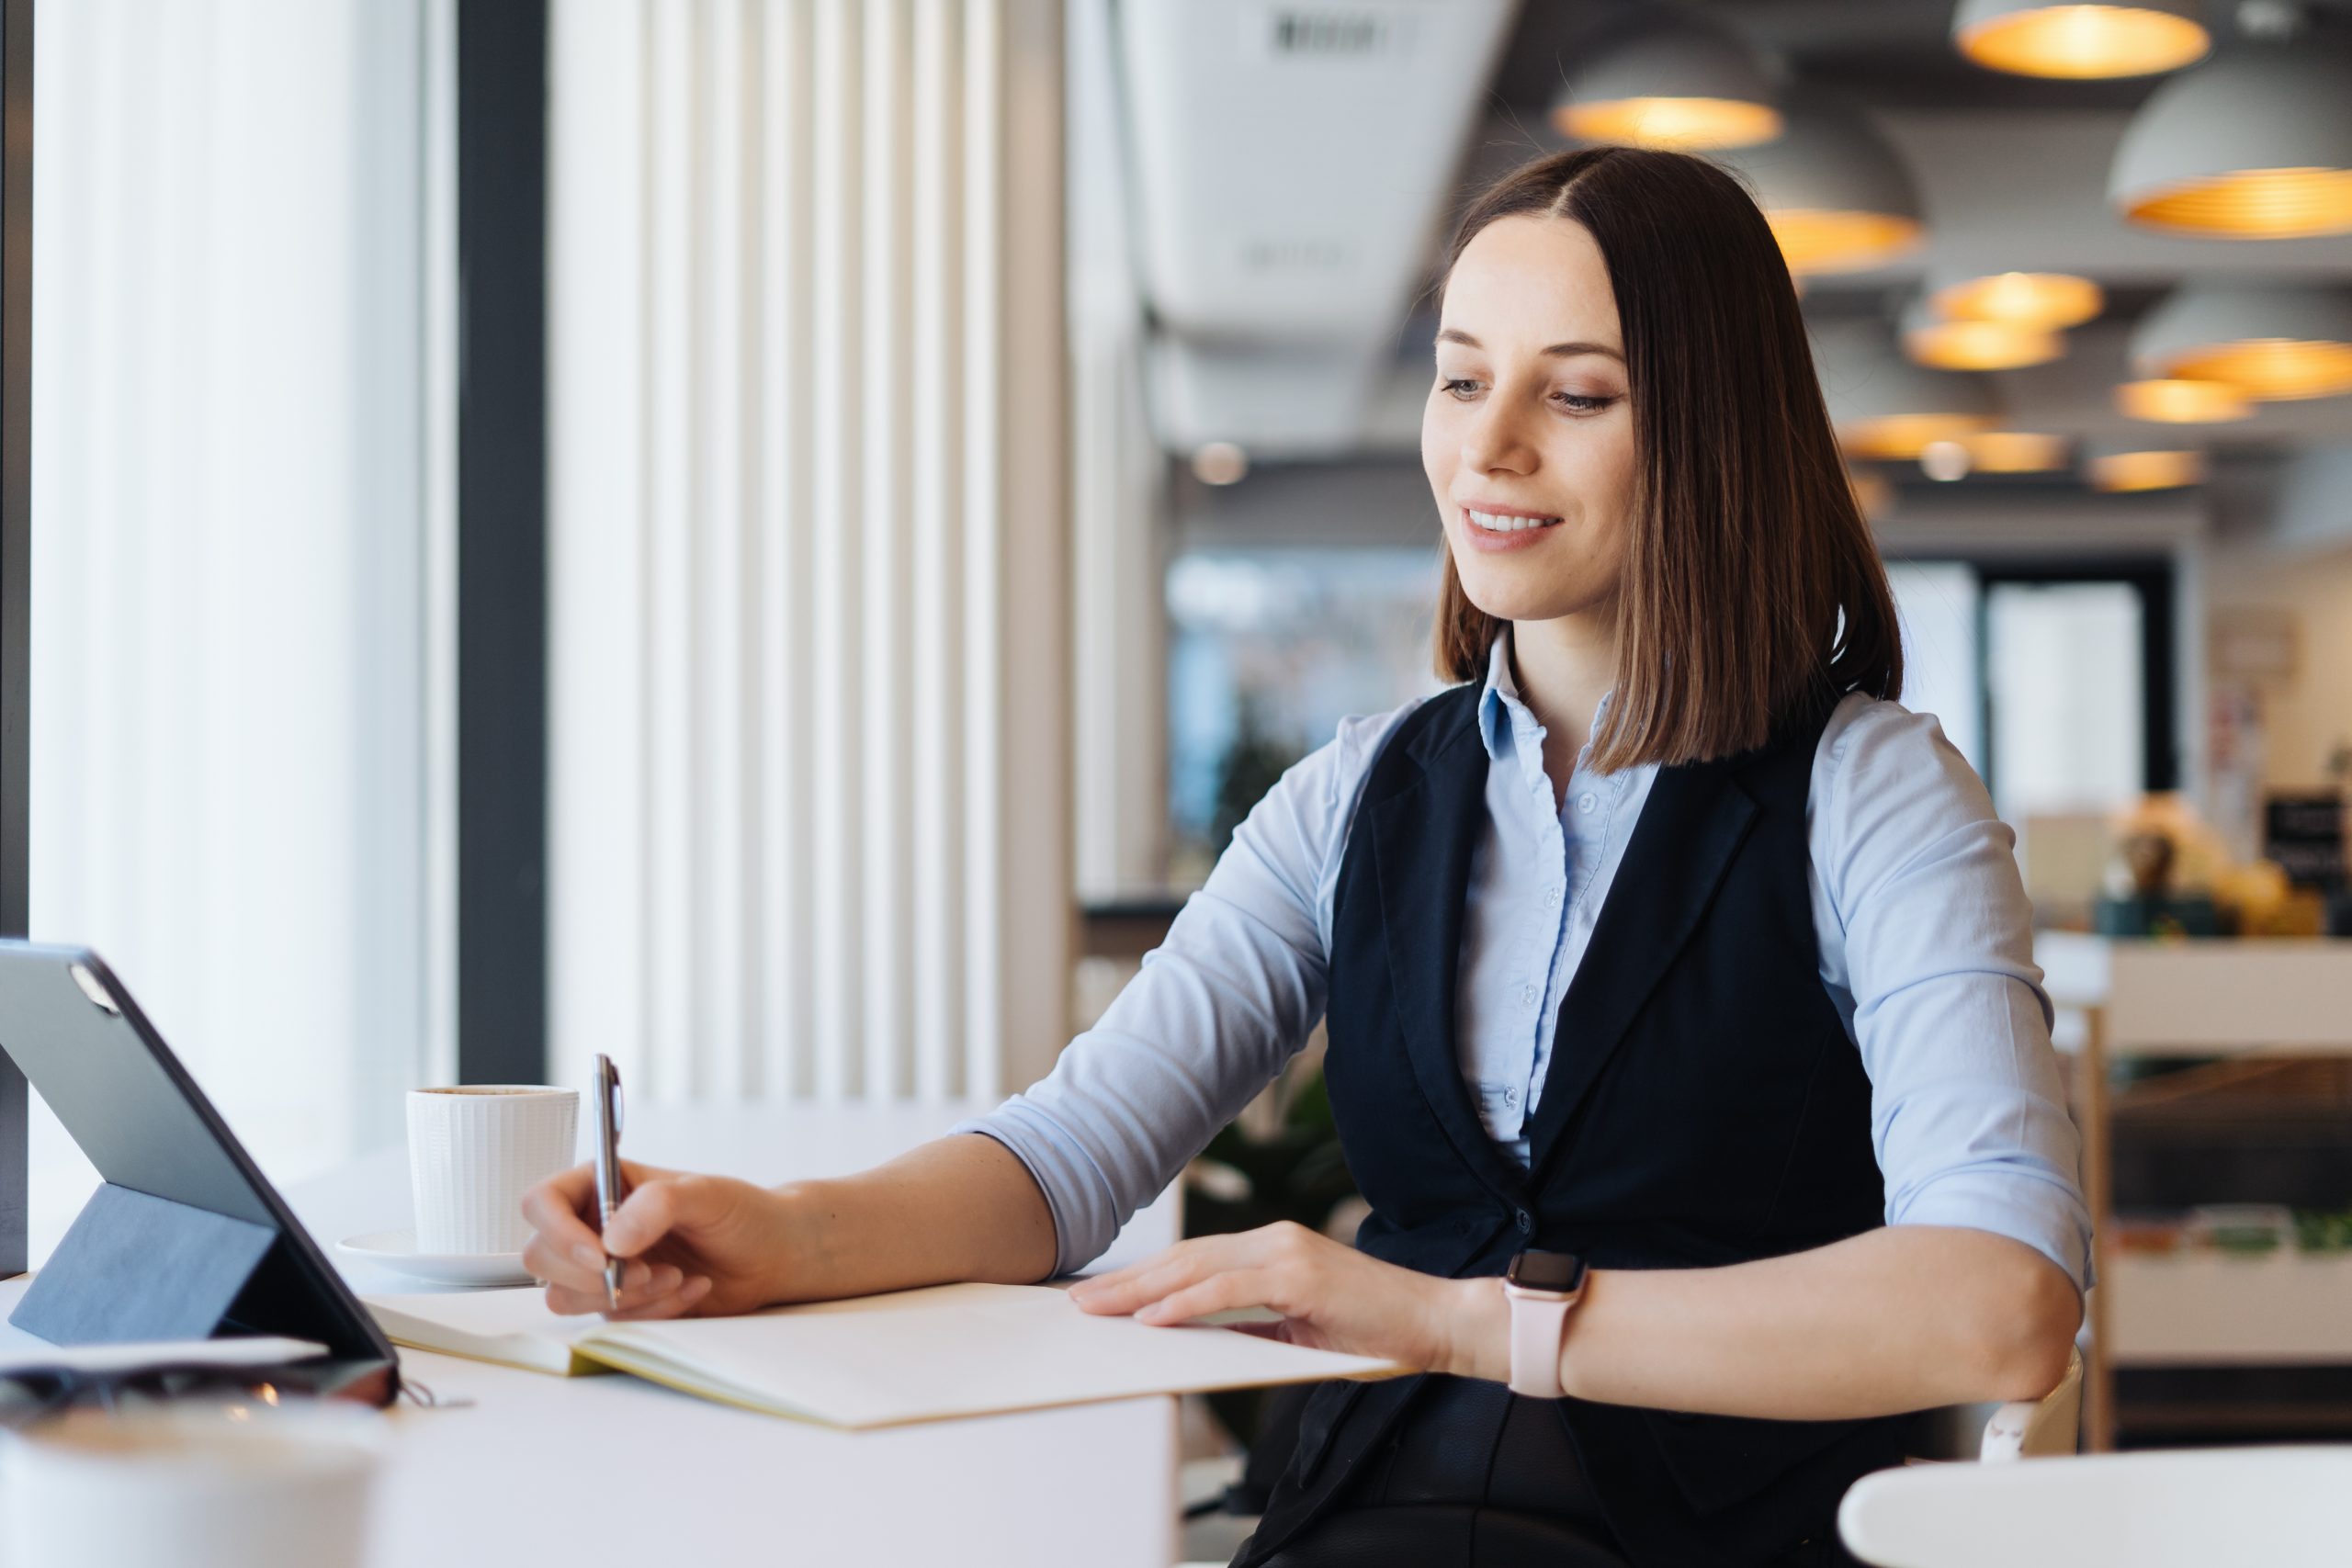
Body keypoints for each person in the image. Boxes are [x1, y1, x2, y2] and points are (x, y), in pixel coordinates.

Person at [518, 146, 2091, 1568]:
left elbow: (2000, 1303)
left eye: (1580, 394)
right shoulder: (1364, 792)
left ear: (1712, 432)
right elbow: (1075, 1156)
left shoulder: (1872, 792)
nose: (1494, 448)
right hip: (1374, 1525)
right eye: (1462, 381)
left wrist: (1456, 1324)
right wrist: (782, 1237)